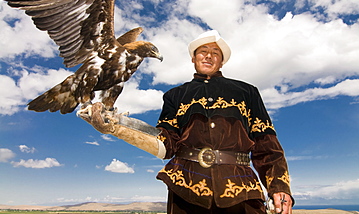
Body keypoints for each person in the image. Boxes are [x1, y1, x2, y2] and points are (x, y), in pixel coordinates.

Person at [81, 30, 294, 214]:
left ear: (222, 60)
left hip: (241, 191)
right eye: (203, 52)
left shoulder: (247, 92)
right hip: (186, 189)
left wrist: (279, 187)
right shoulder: (175, 96)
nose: (208, 56)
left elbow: (266, 143)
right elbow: (166, 145)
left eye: (215, 53)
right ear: (194, 58)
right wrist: (117, 126)